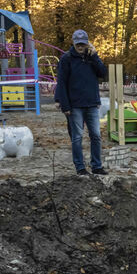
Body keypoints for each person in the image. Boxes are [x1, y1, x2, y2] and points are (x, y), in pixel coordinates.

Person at [55, 29, 109, 175]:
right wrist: (64, 105)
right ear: (73, 43)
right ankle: (80, 167)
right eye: (78, 44)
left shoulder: (91, 58)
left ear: (87, 44)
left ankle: (97, 166)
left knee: (96, 136)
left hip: (91, 103)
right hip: (75, 105)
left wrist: (95, 56)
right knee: (77, 137)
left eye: (83, 44)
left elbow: (103, 73)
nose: (80, 47)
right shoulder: (66, 59)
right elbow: (62, 82)